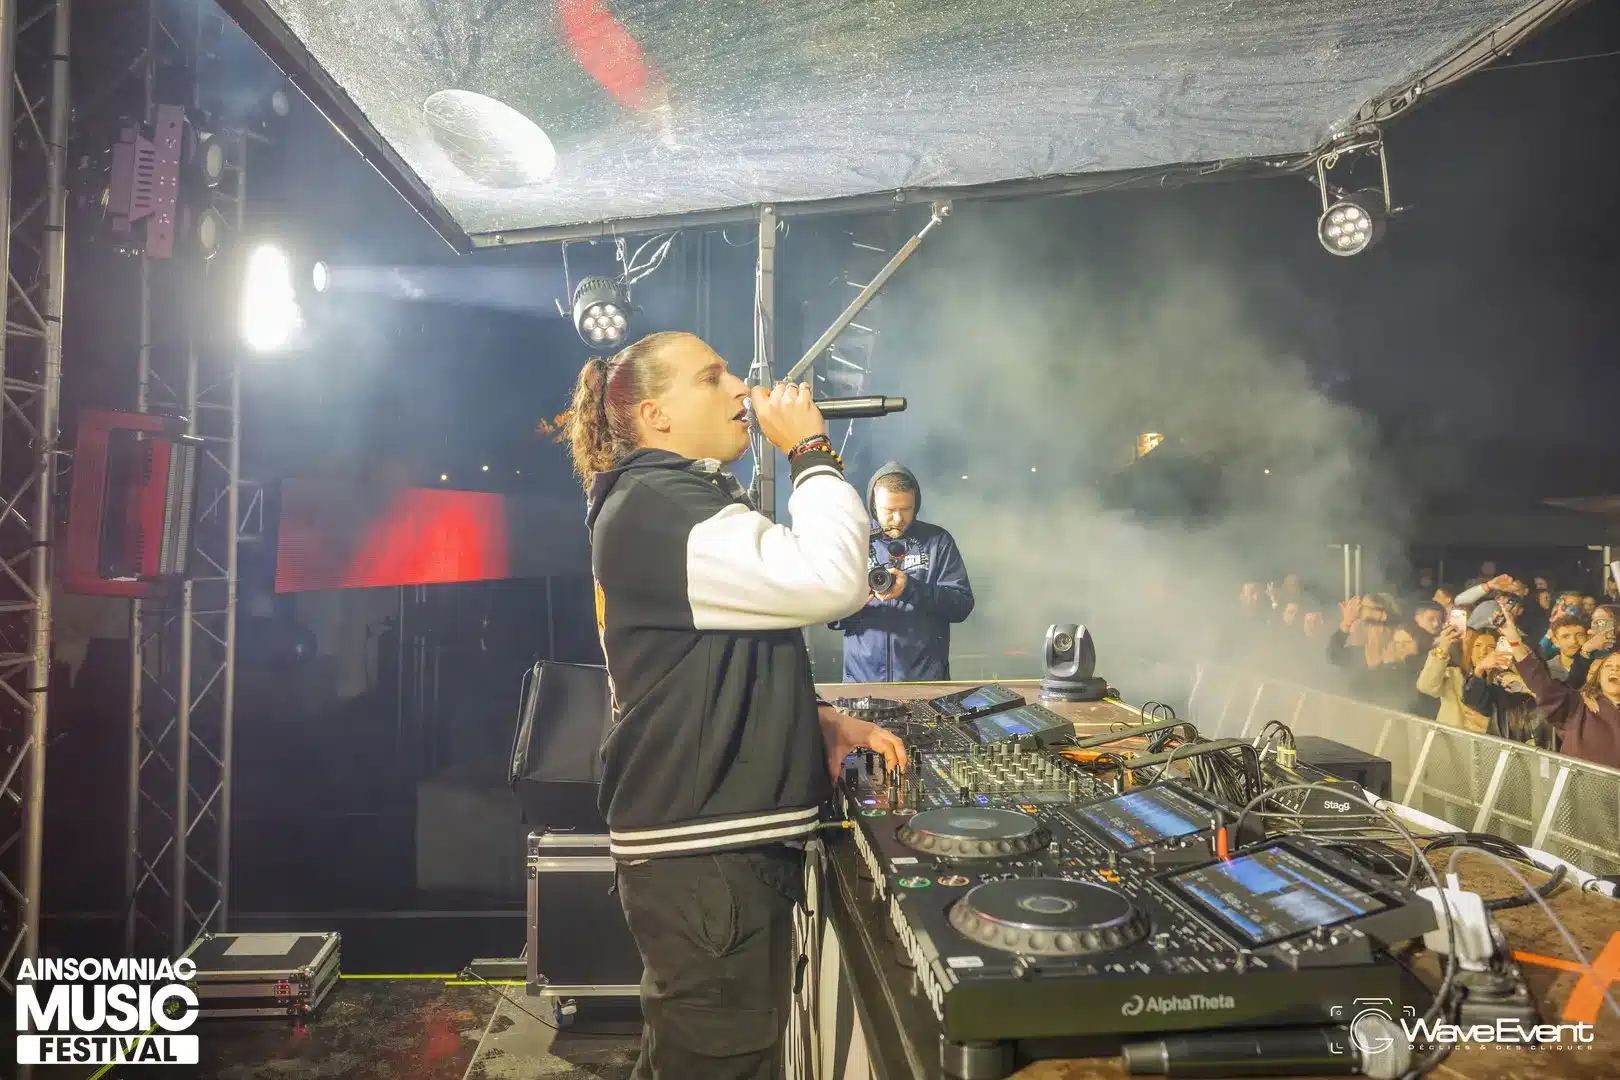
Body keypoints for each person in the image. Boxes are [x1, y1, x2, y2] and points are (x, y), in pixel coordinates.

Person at [564, 331, 908, 1079]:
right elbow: (832, 580)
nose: (741, 391)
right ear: (655, 414)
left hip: (707, 853)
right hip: (706, 857)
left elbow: (702, 659)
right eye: (711, 377)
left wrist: (808, 718)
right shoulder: (661, 505)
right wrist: (810, 452)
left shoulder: (665, 500)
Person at [831, 462, 975, 682]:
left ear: (915, 505)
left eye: (906, 509)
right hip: (861, 682)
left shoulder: (938, 541)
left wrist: (910, 589)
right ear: (873, 505)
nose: (898, 519)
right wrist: (854, 601)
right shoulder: (855, 542)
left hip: (925, 683)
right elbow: (832, 619)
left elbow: (961, 606)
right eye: (889, 510)